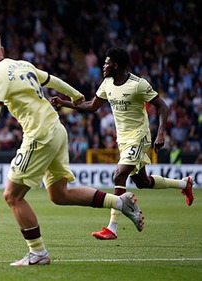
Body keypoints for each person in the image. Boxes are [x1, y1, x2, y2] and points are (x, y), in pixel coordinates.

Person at [0, 31, 145, 266]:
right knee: (59, 194)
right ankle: (120, 202)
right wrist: (76, 95)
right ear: (2, 50)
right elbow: (52, 80)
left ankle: (37, 253)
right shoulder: (22, 64)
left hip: (39, 135)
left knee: (12, 196)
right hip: (57, 130)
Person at [51, 46, 194, 240]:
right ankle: (184, 183)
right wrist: (64, 103)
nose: (104, 66)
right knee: (142, 182)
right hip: (123, 139)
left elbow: (162, 107)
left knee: (119, 175)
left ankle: (112, 227)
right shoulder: (107, 83)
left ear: (116, 65)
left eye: (107, 63)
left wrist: (161, 134)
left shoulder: (138, 84)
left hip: (139, 136)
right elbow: (92, 106)